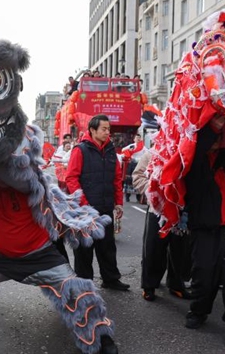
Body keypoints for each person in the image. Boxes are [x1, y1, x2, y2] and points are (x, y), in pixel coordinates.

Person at [182, 116, 225, 349]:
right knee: (203, 273)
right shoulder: (193, 162)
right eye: (212, 136)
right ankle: (199, 311)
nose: (216, 140)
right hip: (203, 227)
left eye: (220, 137)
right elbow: (198, 149)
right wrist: (213, 126)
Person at [65, 114, 129, 291]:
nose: (108, 132)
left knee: (107, 245)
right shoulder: (80, 150)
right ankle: (84, 283)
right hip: (84, 210)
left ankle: (111, 279)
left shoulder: (110, 151)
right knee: (84, 248)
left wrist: (118, 203)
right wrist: (84, 205)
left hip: (105, 206)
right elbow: (71, 179)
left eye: (109, 129)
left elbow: (116, 178)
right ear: (92, 130)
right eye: (104, 129)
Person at [133, 151, 191, 301]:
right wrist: (154, 191)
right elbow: (138, 176)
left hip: (180, 210)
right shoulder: (151, 153)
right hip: (157, 209)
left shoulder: (184, 152)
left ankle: (176, 284)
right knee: (153, 248)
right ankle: (149, 286)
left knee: (179, 249)